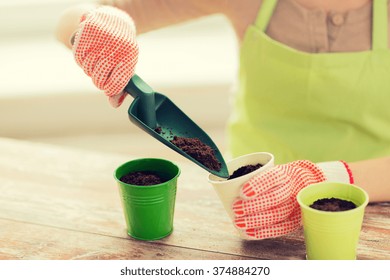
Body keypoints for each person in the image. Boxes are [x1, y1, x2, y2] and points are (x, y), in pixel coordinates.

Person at [56, 0, 390, 239]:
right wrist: (101, 23)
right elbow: (70, 19)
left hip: (373, 207)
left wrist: (325, 178)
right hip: (245, 203)